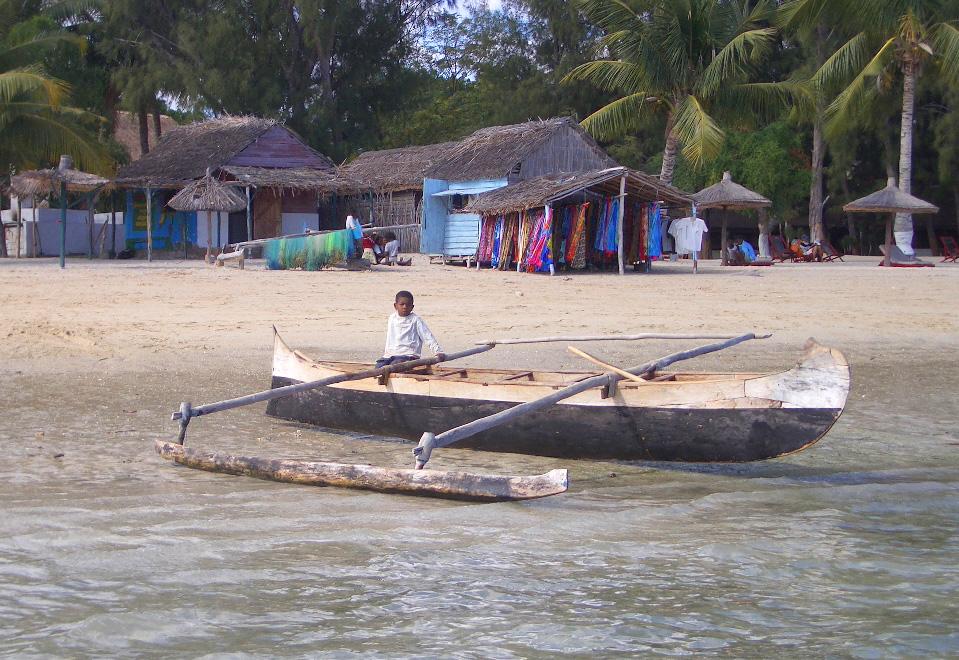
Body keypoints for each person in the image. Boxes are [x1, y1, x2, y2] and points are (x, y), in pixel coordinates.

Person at [375, 290, 445, 369]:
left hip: (408, 356)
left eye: (408, 305)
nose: (404, 307)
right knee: (378, 366)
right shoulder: (392, 318)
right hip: (390, 355)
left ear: (412, 307)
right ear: (395, 306)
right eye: (402, 304)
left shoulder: (415, 320)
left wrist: (438, 352)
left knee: (395, 365)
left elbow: (427, 336)